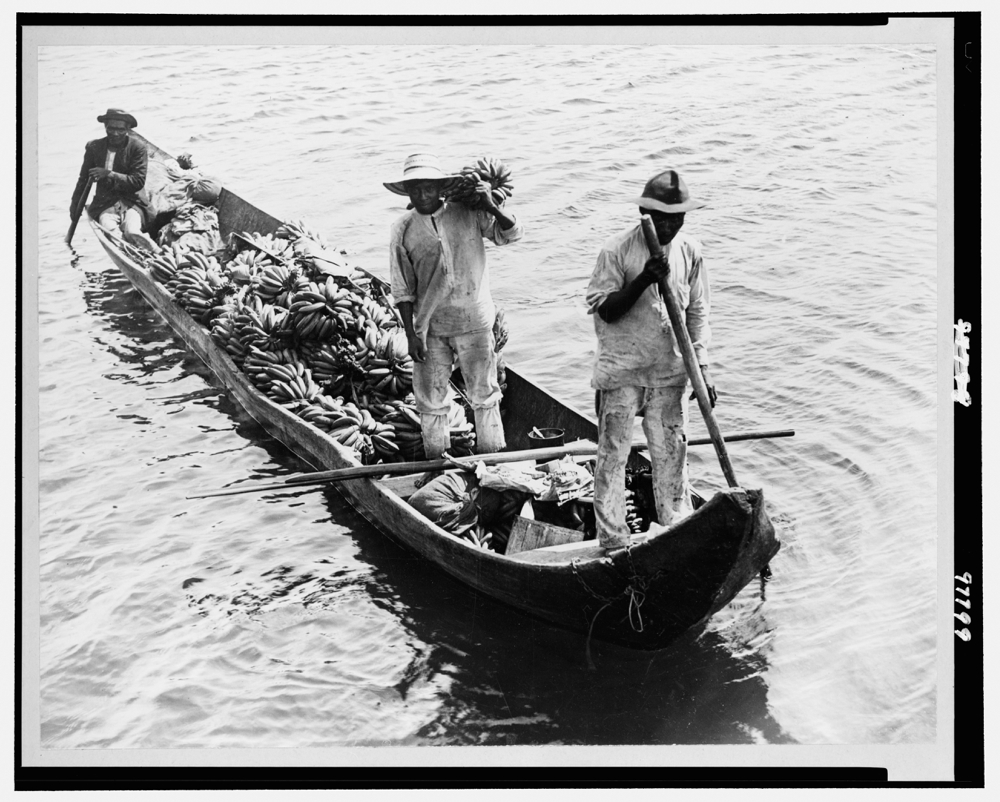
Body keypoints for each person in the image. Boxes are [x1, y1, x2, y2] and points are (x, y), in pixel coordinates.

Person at [585, 169, 717, 550]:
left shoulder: (690, 251)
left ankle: (674, 527)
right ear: (644, 213)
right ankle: (612, 540)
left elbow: (698, 314)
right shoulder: (617, 251)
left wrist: (702, 370)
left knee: (672, 454)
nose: (670, 225)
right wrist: (643, 279)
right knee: (613, 456)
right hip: (622, 372)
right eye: (662, 217)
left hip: (670, 373)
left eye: (677, 217)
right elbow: (605, 311)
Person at [386, 153, 524, 459]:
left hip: (475, 322)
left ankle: (494, 457)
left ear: (440, 188)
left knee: (485, 393)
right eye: (415, 189)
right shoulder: (402, 229)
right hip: (430, 327)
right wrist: (411, 334)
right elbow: (402, 290)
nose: (423, 195)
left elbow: (511, 234)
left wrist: (491, 205)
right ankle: (438, 460)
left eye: (428, 188)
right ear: (408, 192)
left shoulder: (470, 212)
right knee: (431, 399)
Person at [69, 108, 159, 252]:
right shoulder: (94, 147)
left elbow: (138, 182)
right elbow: (83, 179)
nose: (115, 133)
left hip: (132, 202)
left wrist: (109, 174)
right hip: (105, 204)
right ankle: (131, 254)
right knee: (111, 232)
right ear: (105, 127)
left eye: (120, 129)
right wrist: (75, 204)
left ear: (127, 130)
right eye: (111, 128)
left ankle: (157, 253)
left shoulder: (138, 148)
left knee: (132, 231)